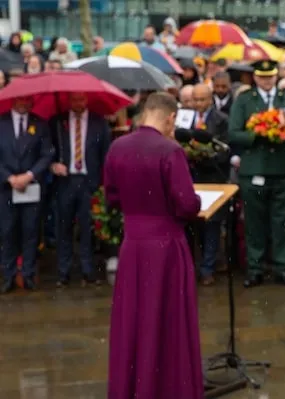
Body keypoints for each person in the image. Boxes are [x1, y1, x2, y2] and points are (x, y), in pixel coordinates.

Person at [105, 92, 203, 398]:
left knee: (134, 319)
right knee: (167, 319)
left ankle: (133, 386)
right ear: (171, 118)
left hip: (133, 245)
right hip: (166, 246)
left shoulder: (117, 147)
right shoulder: (170, 150)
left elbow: (112, 197)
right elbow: (187, 204)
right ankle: (167, 387)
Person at [228, 59, 285, 288]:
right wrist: (257, 134)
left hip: (282, 170)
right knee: (254, 223)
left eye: (270, 76)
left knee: (283, 223)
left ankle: (282, 267)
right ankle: (255, 268)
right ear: (254, 77)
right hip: (253, 169)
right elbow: (233, 133)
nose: (266, 81)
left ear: (276, 76)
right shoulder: (244, 100)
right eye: (262, 77)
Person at [50, 93, 111, 287]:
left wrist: (103, 184)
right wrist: (53, 164)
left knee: (87, 228)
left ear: (87, 100)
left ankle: (87, 270)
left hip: (89, 182)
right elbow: (47, 149)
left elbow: (106, 154)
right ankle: (63, 272)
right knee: (64, 226)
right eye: (74, 99)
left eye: (82, 99)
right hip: (65, 181)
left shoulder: (98, 122)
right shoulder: (58, 122)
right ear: (69, 100)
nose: (78, 103)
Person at [0, 97, 53, 293]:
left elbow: (47, 154)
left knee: (30, 232)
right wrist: (9, 177)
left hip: (31, 187)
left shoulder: (40, 124)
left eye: (27, 100)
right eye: (20, 100)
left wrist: (29, 175)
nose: (23, 103)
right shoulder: (1, 122)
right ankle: (9, 275)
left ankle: (29, 274)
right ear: (13, 100)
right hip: (6, 188)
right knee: (7, 232)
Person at [188, 83, 230, 285]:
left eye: (202, 99)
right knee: (192, 226)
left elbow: (224, 151)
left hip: (213, 179)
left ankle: (208, 268)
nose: (198, 104)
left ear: (210, 99)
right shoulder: (184, 119)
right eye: (195, 100)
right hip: (190, 178)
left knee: (212, 225)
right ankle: (191, 267)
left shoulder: (221, 120)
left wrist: (204, 154)